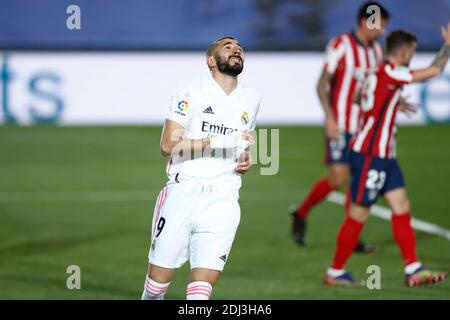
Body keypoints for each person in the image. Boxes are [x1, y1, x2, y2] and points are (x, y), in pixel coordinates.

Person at [324, 25, 450, 287]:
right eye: (412, 53)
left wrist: (391, 101)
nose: (412, 58)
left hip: (384, 156)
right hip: (371, 154)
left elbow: (359, 99)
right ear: (403, 53)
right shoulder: (392, 71)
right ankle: (335, 271)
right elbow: (434, 71)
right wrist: (447, 46)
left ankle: (413, 268)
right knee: (359, 213)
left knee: (401, 207)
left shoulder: (375, 73)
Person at [141, 36, 261, 300]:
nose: (236, 49)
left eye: (239, 47)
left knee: (201, 289)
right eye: (227, 46)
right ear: (210, 60)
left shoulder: (251, 99)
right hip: (184, 191)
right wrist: (221, 141)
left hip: (224, 196)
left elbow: (242, 143)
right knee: (157, 285)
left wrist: (245, 159)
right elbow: (167, 144)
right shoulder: (190, 92)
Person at [291, 1, 390, 252]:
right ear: (364, 22)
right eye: (379, 26)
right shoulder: (341, 45)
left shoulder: (377, 52)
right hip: (341, 124)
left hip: (364, 128)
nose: (382, 32)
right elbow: (321, 84)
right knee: (338, 178)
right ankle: (301, 213)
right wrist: (330, 118)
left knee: (358, 181)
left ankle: (351, 238)